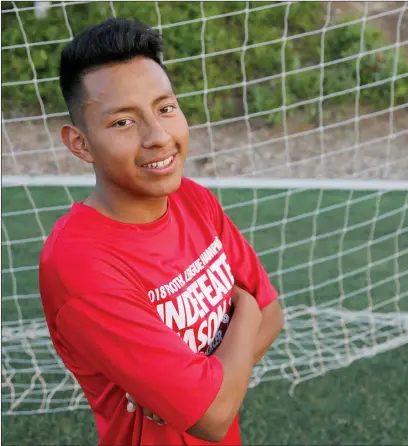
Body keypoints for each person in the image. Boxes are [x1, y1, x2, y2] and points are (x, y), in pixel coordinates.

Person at [39, 17, 284, 446]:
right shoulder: (80, 263)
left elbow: (274, 314)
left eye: (165, 108)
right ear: (80, 143)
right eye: (123, 123)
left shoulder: (192, 198)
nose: (158, 137)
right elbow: (210, 417)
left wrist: (203, 383)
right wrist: (244, 311)